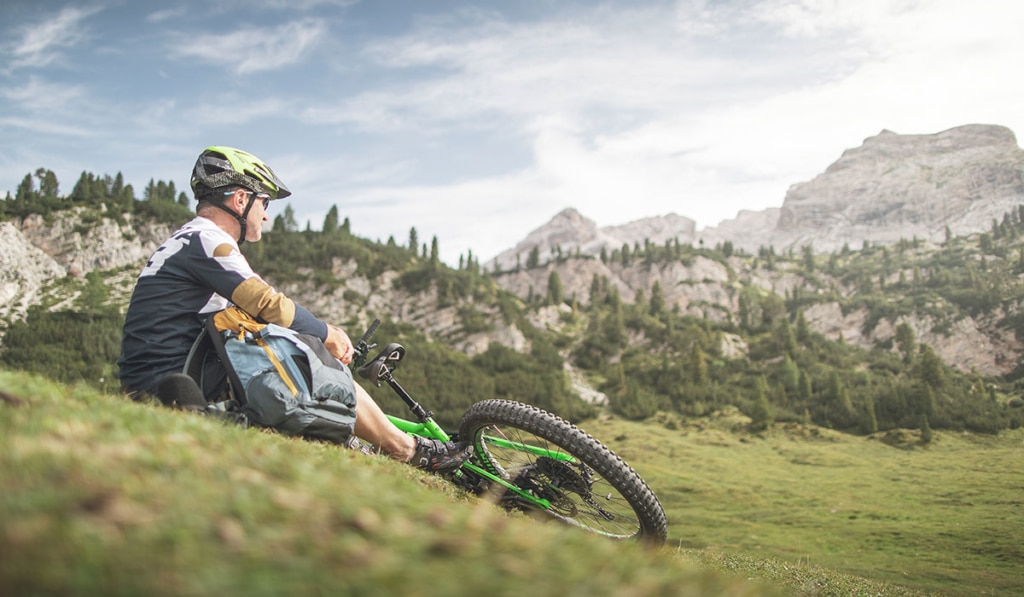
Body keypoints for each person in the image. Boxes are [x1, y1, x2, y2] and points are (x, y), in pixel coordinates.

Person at [117, 146, 468, 472]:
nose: (266, 217)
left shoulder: (185, 240)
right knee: (317, 365)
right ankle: (407, 450)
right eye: (264, 203)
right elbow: (268, 304)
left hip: (161, 379)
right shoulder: (208, 240)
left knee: (289, 356)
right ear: (240, 199)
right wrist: (327, 334)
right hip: (176, 381)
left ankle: (354, 438)